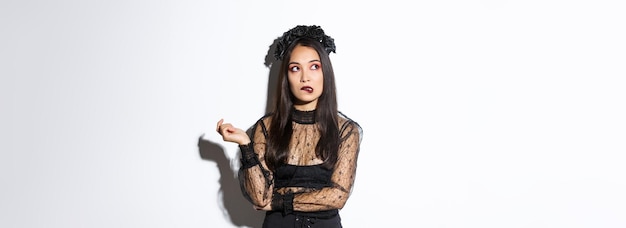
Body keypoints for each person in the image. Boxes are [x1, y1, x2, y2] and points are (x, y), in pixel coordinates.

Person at [216, 25, 363, 228]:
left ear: (325, 73)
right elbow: (260, 198)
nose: (305, 77)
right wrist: (245, 145)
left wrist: (280, 202)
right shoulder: (266, 128)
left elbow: (338, 196)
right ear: (287, 77)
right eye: (295, 68)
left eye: (314, 66)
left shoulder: (346, 131)